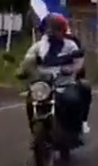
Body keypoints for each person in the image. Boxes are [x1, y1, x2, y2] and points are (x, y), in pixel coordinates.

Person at [17, 14, 87, 142]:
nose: (53, 33)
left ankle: (75, 130)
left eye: (56, 29)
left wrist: (71, 69)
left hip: (64, 84)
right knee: (29, 100)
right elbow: (28, 60)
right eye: (50, 29)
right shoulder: (39, 46)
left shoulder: (70, 45)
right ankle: (34, 129)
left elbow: (79, 62)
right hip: (44, 85)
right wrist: (23, 70)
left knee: (72, 100)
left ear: (63, 30)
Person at [64, 25, 92, 134]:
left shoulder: (72, 43)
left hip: (69, 77)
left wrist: (75, 70)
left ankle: (83, 121)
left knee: (84, 87)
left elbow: (79, 60)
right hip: (49, 79)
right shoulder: (44, 43)